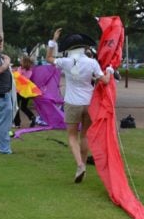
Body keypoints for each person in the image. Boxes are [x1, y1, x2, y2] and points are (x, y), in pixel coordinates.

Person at [46, 28, 113, 183]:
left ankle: (80, 164)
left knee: (71, 136)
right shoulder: (92, 62)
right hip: (89, 103)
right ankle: (82, 166)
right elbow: (105, 80)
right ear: (84, 48)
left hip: (72, 102)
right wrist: (109, 70)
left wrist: (53, 40)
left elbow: (49, 57)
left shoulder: (66, 61)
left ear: (70, 49)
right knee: (84, 135)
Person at [13, 55, 36, 128]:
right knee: (20, 107)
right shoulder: (27, 70)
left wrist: (16, 72)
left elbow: (20, 78)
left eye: (21, 60)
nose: (20, 61)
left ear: (24, 62)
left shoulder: (24, 70)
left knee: (19, 107)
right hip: (23, 91)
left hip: (21, 91)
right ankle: (29, 117)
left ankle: (19, 123)